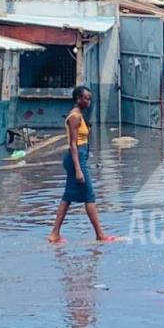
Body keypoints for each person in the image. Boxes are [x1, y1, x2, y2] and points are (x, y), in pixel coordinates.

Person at [48, 87, 115, 243]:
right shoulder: (75, 117)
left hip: (79, 156)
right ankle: (100, 235)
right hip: (76, 158)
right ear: (78, 98)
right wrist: (78, 170)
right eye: (86, 98)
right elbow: (73, 144)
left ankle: (55, 234)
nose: (88, 102)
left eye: (89, 99)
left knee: (68, 197)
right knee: (89, 195)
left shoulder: (79, 116)